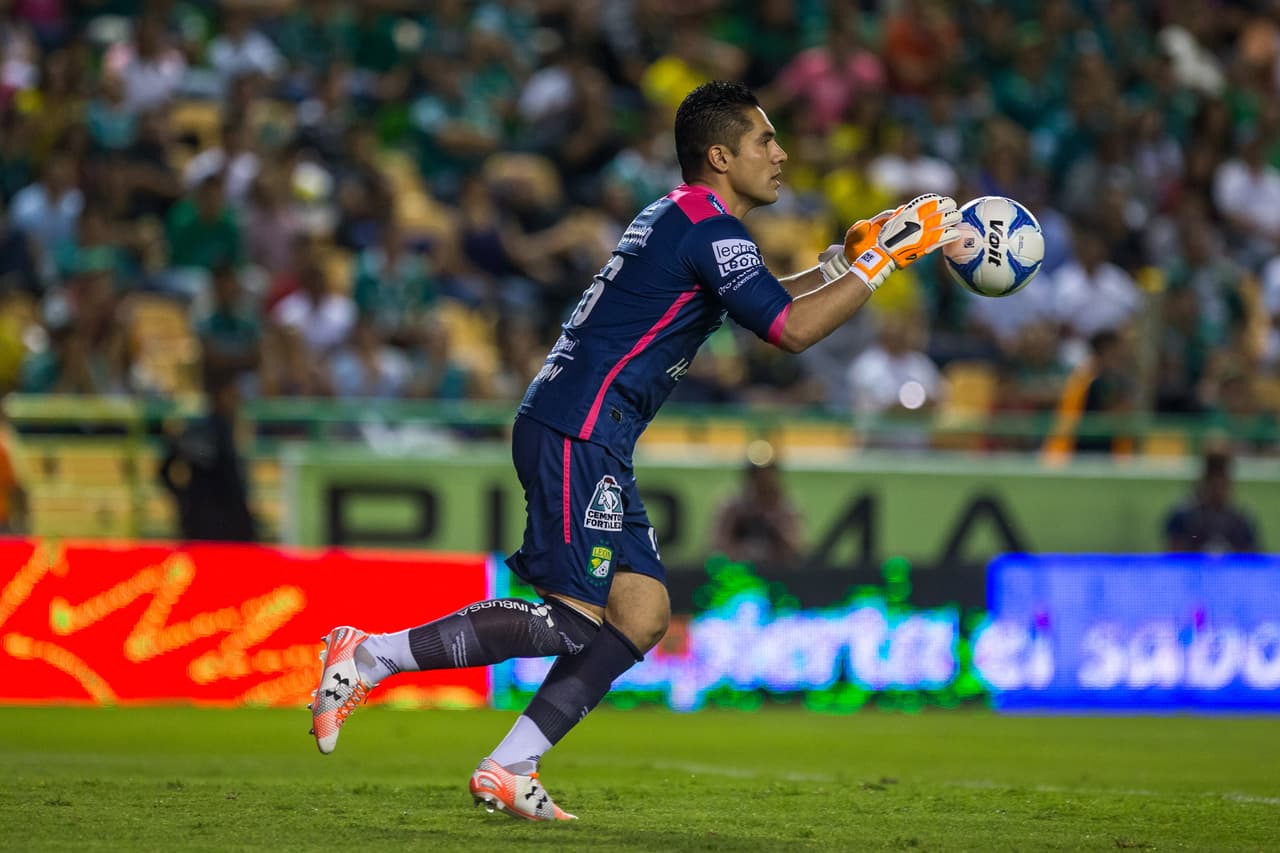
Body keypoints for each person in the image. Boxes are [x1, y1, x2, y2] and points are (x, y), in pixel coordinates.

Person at [309, 81, 961, 820]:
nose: (781, 155)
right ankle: (370, 654)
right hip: (578, 427)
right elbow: (791, 330)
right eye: (764, 142)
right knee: (571, 619)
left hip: (590, 429)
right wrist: (882, 266)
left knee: (643, 611)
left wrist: (847, 264)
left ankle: (509, 763)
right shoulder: (713, 231)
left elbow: (771, 299)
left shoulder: (689, 218)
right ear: (721, 155)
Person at [158, 369, 258, 543]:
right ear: (220, 396)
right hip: (218, 528)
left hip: (198, 522)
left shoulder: (199, 430)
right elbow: (165, 470)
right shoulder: (214, 430)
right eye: (233, 396)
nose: (237, 402)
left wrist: (183, 500)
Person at [711, 442, 805, 568]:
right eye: (757, 475)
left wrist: (774, 524)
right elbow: (718, 546)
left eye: (767, 474)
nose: (763, 481)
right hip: (738, 573)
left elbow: (796, 549)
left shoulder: (785, 509)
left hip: (778, 573)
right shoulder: (732, 507)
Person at [1163, 445, 1259, 553]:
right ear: (1204, 480)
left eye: (1222, 481)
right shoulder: (1183, 517)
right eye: (1213, 482)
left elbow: (1252, 562)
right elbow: (1175, 560)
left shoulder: (1240, 520)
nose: (1217, 488)